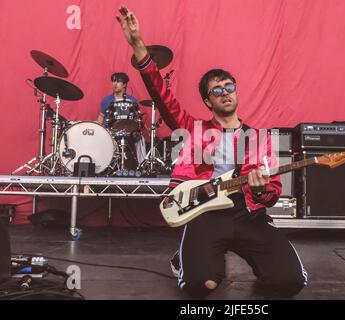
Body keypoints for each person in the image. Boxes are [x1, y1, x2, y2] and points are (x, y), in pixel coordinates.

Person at [116, 6, 307, 298]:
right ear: (208, 101)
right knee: (200, 286)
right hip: (203, 212)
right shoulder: (192, 127)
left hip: (247, 214)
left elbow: (272, 194)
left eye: (230, 87)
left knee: (289, 282)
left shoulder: (258, 138)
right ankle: (185, 259)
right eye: (217, 90)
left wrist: (260, 190)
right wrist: (138, 46)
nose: (226, 92)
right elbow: (161, 95)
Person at [97, 72, 147, 169]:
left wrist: (141, 127)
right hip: (111, 132)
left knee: (140, 139)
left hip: (129, 132)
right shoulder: (107, 100)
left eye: (118, 81)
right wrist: (98, 130)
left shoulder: (132, 99)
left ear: (124, 85)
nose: (115, 84)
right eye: (114, 81)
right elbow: (101, 117)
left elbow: (137, 117)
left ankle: (142, 167)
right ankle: (103, 168)